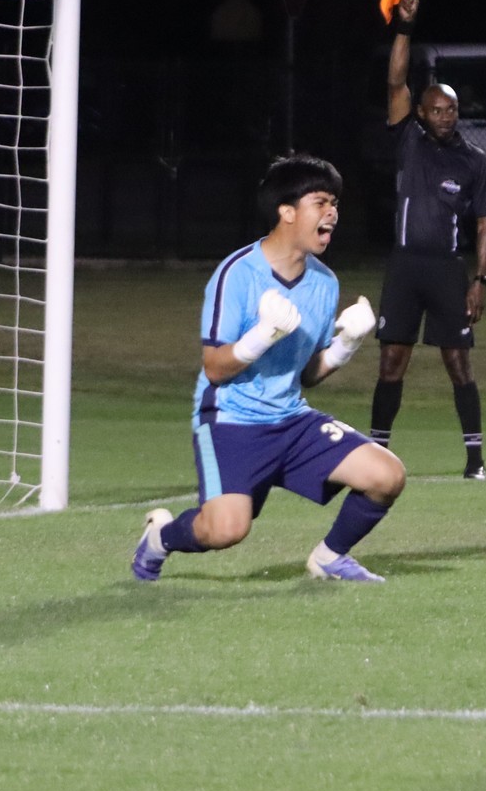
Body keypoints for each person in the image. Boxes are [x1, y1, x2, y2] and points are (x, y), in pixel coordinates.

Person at [132, 154, 406, 583]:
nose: (332, 213)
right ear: (286, 211)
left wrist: (345, 346)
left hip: (292, 420)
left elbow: (308, 375)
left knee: (386, 475)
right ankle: (159, 537)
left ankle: (330, 558)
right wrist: (261, 336)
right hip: (231, 421)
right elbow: (215, 368)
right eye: (320, 202)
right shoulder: (237, 274)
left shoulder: (324, 282)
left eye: (335, 203)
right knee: (225, 530)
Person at [369, 0, 486, 480]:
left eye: (452, 109)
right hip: (405, 267)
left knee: (458, 364)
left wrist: (480, 280)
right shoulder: (409, 140)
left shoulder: (475, 161)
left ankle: (475, 460)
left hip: (447, 271)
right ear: (422, 113)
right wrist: (405, 28)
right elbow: (395, 81)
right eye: (438, 109)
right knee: (391, 361)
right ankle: (375, 454)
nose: (446, 115)